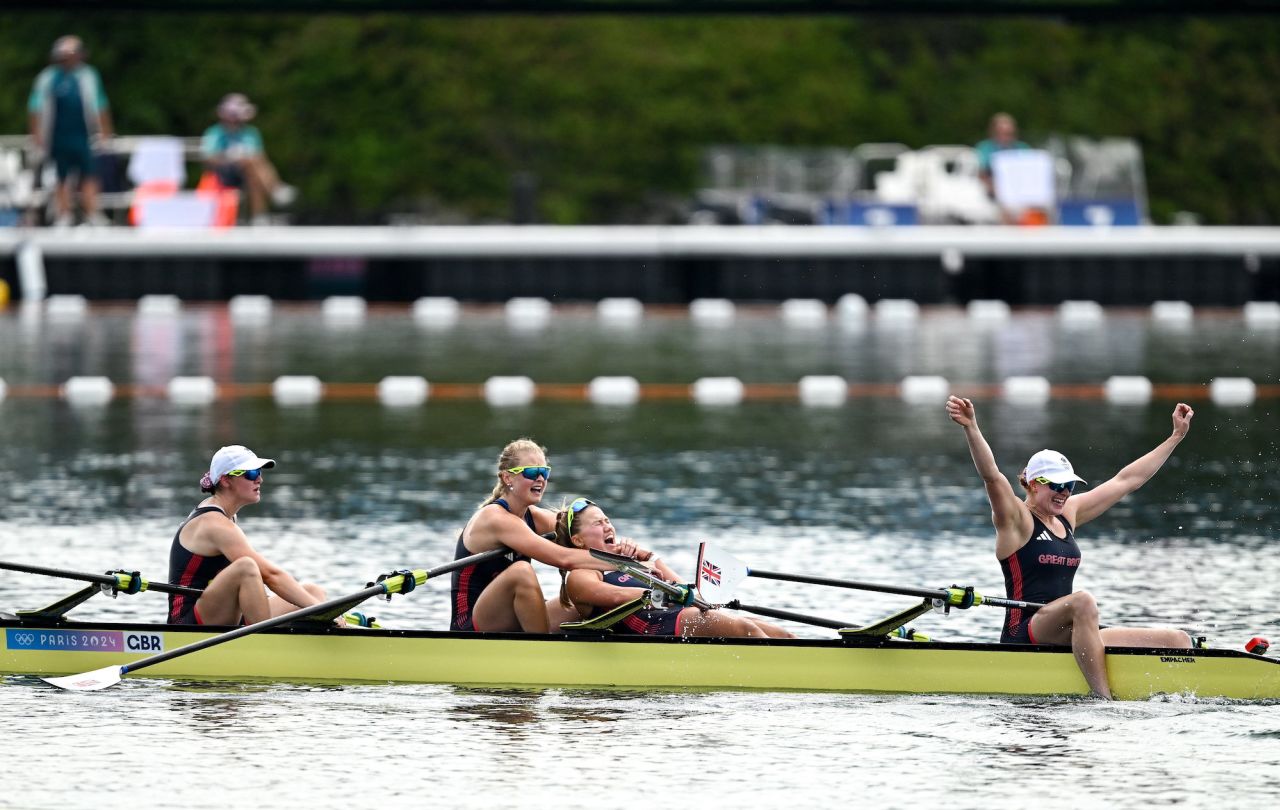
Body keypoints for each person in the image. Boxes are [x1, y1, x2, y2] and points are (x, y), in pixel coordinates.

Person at [945, 395, 1195, 699]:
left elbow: (1127, 480)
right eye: (1057, 485)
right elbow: (991, 476)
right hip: (1024, 632)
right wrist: (971, 427)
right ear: (1034, 483)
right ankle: (1103, 699)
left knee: (1178, 640)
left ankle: (1177, 692)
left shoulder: (1067, 516)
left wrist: (1176, 437)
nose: (1064, 493)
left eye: (1070, 486)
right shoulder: (1016, 520)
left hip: (1072, 629)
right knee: (1083, 601)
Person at [450, 438, 637, 634]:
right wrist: (624, 562)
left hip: (510, 618)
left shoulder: (533, 516)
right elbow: (563, 558)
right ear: (507, 478)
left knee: (583, 597)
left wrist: (629, 550)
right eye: (532, 472)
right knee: (521, 571)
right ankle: (543, 650)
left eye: (544, 472)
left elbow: (585, 534)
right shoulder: (493, 518)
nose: (540, 478)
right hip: (471, 626)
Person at [552, 497, 794, 639]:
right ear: (578, 541)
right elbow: (615, 596)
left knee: (782, 634)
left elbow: (685, 589)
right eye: (597, 523)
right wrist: (661, 591)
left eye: (607, 520)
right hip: (653, 627)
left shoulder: (635, 561)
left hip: (675, 615)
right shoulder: (581, 574)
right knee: (745, 629)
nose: (608, 527)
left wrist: (649, 558)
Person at [167, 445, 333, 626]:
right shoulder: (213, 524)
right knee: (246, 568)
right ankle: (263, 645)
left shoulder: (227, 516)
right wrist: (319, 608)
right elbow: (270, 575)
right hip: (188, 622)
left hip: (226, 612)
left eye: (259, 472)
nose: (259, 479)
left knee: (313, 592)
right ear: (225, 480)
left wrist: (316, 605)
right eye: (251, 474)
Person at [27, 35, 113, 228]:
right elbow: (35, 107)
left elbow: (100, 104)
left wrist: (105, 132)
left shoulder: (88, 76)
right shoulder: (48, 78)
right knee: (61, 176)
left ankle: (92, 213)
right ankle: (63, 215)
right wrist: (37, 136)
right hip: (58, 136)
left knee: (90, 175)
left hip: (84, 135)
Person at [200, 93, 295, 225]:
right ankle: (275, 189)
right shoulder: (215, 133)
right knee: (251, 163)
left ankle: (259, 217)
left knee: (253, 175)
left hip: (247, 173)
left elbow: (260, 158)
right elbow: (209, 158)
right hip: (223, 174)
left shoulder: (251, 133)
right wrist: (230, 158)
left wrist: (243, 158)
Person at [975, 112, 1032, 223]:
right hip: (994, 192)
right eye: (1001, 133)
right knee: (1006, 208)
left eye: (1008, 133)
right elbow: (981, 174)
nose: (1005, 137)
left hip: (1022, 192)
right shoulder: (985, 149)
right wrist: (999, 191)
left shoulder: (1023, 149)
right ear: (993, 133)